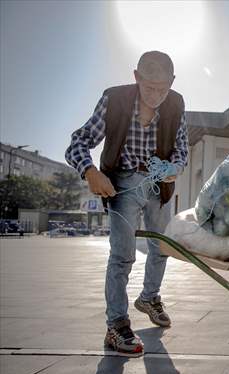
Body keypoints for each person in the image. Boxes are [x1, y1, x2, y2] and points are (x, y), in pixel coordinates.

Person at [65, 51, 188, 356]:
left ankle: (150, 297)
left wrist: (174, 168)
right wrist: (90, 171)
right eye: (149, 88)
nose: (157, 96)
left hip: (158, 184)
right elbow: (78, 142)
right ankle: (116, 325)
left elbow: (182, 150)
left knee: (162, 246)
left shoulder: (176, 103)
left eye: (163, 89)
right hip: (121, 183)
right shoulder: (114, 99)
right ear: (136, 77)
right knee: (123, 255)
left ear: (172, 82)